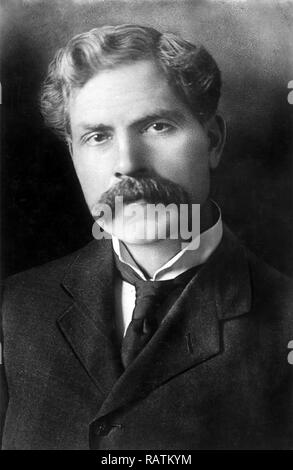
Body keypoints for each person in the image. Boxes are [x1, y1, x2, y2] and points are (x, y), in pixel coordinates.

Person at [1, 24, 292, 450]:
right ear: (73, 155)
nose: (128, 164)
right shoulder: (15, 307)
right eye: (97, 136)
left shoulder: (286, 323)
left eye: (156, 126)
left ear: (212, 141)